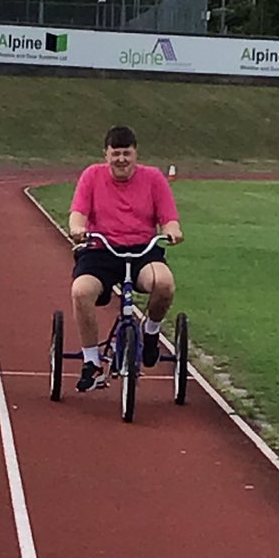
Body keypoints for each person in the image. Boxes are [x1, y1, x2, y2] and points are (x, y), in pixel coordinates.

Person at [68, 124, 183, 392]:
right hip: (101, 250)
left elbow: (169, 218)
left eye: (126, 153)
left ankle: (151, 332)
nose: (121, 159)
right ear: (106, 155)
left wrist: (173, 231)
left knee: (164, 284)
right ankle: (91, 362)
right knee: (81, 291)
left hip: (142, 250)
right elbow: (78, 213)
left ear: (135, 154)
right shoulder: (92, 176)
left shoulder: (153, 178)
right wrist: (77, 229)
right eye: (116, 153)